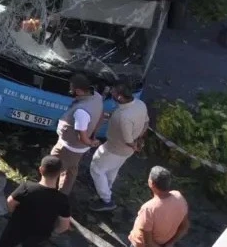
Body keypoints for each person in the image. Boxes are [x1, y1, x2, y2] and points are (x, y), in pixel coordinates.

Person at [90, 81, 149, 212]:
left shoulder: (123, 116)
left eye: (114, 92)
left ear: (120, 97)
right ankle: (106, 189)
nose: (111, 93)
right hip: (126, 152)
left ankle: (106, 200)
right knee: (112, 169)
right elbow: (146, 123)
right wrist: (139, 141)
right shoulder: (140, 104)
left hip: (114, 148)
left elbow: (128, 140)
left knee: (96, 168)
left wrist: (135, 146)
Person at [0, 155, 72, 247]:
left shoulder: (27, 187)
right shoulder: (62, 200)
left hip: (16, 228)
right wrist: (53, 231)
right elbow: (64, 226)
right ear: (60, 173)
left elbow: (10, 202)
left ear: (40, 169)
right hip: (39, 236)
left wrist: (13, 213)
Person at [50, 73, 103, 195]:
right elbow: (101, 114)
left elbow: (82, 137)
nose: (70, 91)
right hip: (78, 150)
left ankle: (48, 194)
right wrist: (94, 132)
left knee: (52, 170)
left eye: (72, 89)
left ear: (79, 91)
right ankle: (63, 195)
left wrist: (91, 142)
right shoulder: (97, 97)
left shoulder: (81, 111)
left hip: (67, 148)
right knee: (71, 170)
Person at [129, 166, 189, 247]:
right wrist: (170, 243)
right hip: (165, 242)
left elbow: (148, 242)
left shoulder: (148, 209)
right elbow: (185, 227)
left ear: (151, 183)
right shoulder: (179, 196)